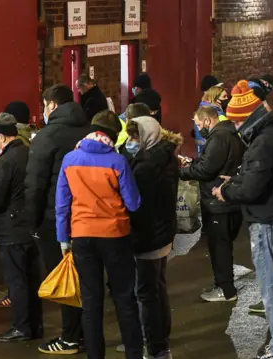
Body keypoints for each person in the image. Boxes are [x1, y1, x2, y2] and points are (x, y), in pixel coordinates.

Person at [213, 80, 273, 359]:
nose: (236, 129)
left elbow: (254, 187)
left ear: (246, 119)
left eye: (237, 123)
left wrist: (227, 190)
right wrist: (241, 179)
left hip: (271, 223)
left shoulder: (265, 141)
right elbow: (269, 176)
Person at [56, 110, 142, 359]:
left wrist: (64, 239)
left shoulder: (70, 159)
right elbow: (133, 203)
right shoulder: (118, 162)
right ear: (114, 136)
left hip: (82, 236)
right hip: (116, 236)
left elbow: (62, 204)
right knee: (125, 299)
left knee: (91, 303)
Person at [26, 84, 90, 354]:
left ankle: (69, 338)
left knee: (64, 280)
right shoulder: (90, 131)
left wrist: (32, 222)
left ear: (51, 105)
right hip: (88, 217)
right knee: (86, 279)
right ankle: (87, 334)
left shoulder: (46, 137)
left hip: (54, 219)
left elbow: (35, 185)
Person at [0, 113, 43, 342]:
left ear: (2, 137)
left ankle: (21, 327)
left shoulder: (5, 162)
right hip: (31, 226)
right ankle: (35, 325)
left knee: (17, 281)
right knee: (32, 280)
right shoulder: (29, 153)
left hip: (11, 229)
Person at [119, 115, 181, 359]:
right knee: (157, 287)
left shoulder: (146, 166)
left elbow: (136, 203)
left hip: (147, 235)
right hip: (162, 232)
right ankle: (161, 342)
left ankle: (153, 347)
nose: (131, 141)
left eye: (135, 136)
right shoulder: (164, 155)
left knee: (145, 294)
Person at [180, 106, 245, 302]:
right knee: (224, 244)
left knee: (219, 247)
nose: (199, 128)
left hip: (218, 202)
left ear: (208, 121)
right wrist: (193, 163)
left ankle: (225, 290)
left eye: (199, 125)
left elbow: (206, 170)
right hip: (230, 199)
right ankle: (224, 285)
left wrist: (183, 171)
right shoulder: (232, 134)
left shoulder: (218, 138)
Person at [194, 85, 230, 156]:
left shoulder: (203, 111)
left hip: (205, 152)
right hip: (212, 154)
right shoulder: (215, 115)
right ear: (215, 98)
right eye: (224, 96)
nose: (227, 98)